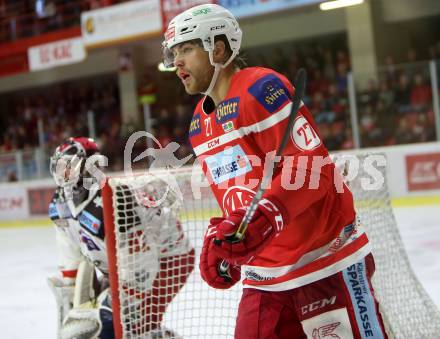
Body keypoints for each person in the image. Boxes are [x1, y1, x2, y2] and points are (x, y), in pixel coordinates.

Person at [162, 4, 388, 338]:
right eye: (174, 52)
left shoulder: (260, 89)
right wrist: (223, 239)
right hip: (265, 280)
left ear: (218, 48)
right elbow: (238, 194)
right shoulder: (199, 123)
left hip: (326, 263)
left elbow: (313, 169)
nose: (177, 61)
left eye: (187, 48)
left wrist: (268, 214)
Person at [47, 137, 194, 338]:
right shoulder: (59, 206)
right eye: (59, 167)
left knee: (122, 326)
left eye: (69, 166)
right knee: (104, 324)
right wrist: (70, 290)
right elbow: (71, 253)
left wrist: (117, 300)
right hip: (124, 267)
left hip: (170, 260)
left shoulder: (115, 200)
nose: (63, 174)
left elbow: (141, 266)